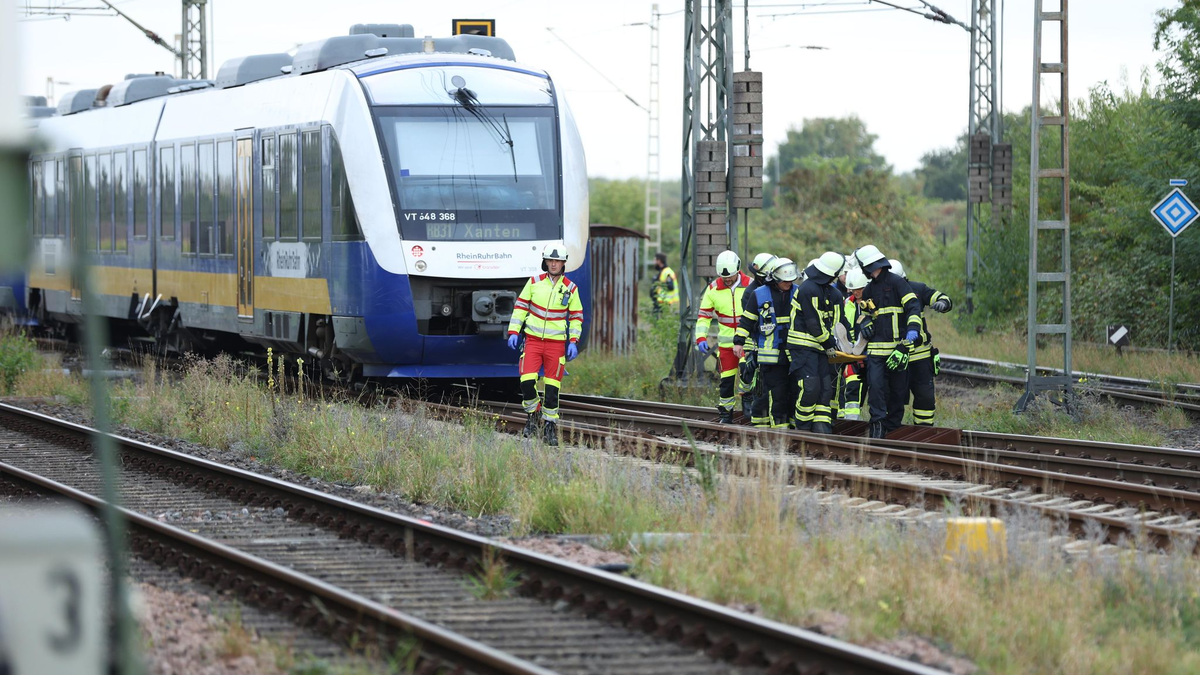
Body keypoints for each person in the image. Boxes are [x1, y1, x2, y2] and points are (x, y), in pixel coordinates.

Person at [507, 243, 584, 447]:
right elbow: (520, 308)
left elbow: (576, 317)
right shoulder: (533, 282)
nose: (554, 263)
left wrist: (573, 341)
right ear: (545, 261)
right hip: (532, 341)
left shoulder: (571, 288)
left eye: (557, 260)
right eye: (550, 260)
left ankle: (549, 426)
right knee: (526, 381)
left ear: (563, 263)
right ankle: (533, 415)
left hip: (556, 345)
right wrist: (514, 331)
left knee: (552, 388)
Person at [853, 245, 922, 439]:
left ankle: (893, 428)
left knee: (898, 391)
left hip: (897, 350)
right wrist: (863, 322)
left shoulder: (898, 283)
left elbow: (913, 308)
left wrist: (910, 336)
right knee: (876, 388)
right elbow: (862, 316)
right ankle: (877, 426)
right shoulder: (868, 290)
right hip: (875, 352)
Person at [735, 257, 799, 427]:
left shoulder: (799, 292)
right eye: (785, 281)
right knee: (777, 394)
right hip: (771, 356)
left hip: (795, 353)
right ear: (775, 278)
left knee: (794, 392)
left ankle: (792, 428)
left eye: (791, 280)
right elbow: (747, 321)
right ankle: (779, 432)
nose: (789, 283)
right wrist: (738, 341)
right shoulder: (759, 294)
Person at [888, 259, 953, 426]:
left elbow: (940, 296)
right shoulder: (882, 293)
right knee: (893, 398)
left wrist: (943, 303)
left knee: (924, 397)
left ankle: (923, 431)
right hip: (894, 357)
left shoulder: (918, 289)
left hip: (920, 357)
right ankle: (891, 432)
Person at [787, 251, 846, 433]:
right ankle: (802, 429)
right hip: (803, 347)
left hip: (822, 349)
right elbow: (813, 321)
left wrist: (843, 344)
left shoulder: (834, 294)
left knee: (825, 389)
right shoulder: (807, 289)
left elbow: (839, 322)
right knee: (810, 386)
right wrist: (830, 343)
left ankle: (821, 428)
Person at [695, 250, 753, 423]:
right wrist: (701, 338)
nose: (728, 280)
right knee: (726, 382)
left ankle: (749, 408)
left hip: (747, 344)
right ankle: (726, 414)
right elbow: (704, 316)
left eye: (731, 277)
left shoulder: (751, 285)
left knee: (748, 376)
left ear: (738, 269)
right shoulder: (713, 289)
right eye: (724, 278)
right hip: (726, 347)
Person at [738, 252, 778, 420]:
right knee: (749, 370)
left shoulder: (778, 289)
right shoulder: (751, 293)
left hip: (776, 340)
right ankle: (747, 396)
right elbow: (750, 322)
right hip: (755, 339)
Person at [835, 267, 870, 421]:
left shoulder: (873, 304)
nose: (856, 293)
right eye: (853, 290)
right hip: (851, 354)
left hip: (871, 353)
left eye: (859, 289)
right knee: (852, 387)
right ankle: (851, 422)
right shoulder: (846, 304)